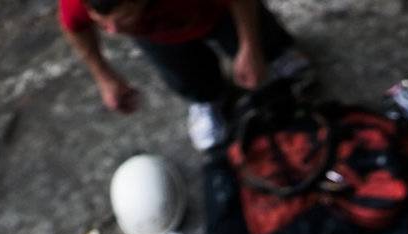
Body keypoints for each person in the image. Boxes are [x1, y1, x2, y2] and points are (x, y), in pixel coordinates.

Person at [58, 0, 311, 150]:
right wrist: (104, 77)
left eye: (120, 20)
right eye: (103, 23)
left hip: (215, 9)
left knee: (261, 43)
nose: (112, 32)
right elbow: (74, 26)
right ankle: (207, 99)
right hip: (159, 32)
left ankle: (276, 54)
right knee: (185, 74)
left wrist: (250, 46)